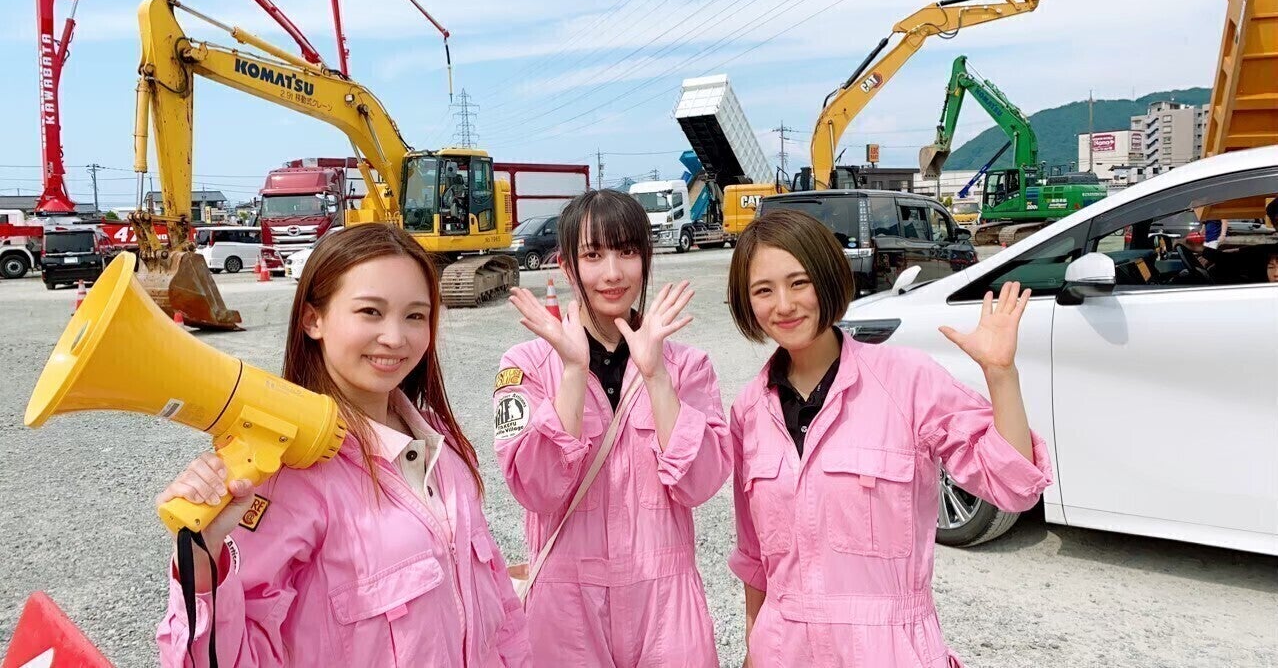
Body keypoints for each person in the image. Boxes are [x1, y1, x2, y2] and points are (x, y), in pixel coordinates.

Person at [155, 222, 532, 667]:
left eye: (415, 315)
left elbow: (497, 606)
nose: (396, 337)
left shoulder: (440, 441)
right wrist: (204, 558)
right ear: (313, 320)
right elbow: (234, 655)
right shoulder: (286, 474)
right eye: (370, 311)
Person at [725, 210, 1052, 667]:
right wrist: (752, 650)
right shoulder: (748, 410)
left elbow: (1013, 487)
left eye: (799, 283)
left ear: (828, 279)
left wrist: (1001, 375)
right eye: (763, 290)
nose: (783, 305)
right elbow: (754, 555)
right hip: (783, 650)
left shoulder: (906, 380)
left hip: (889, 648)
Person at [496, 189, 731, 666]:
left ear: (645, 259)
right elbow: (535, 490)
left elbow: (700, 484)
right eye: (593, 255)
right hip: (566, 610)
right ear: (567, 267)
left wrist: (657, 376)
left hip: (665, 606)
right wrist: (572, 372)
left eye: (627, 252)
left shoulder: (687, 365)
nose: (612, 273)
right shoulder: (524, 366)